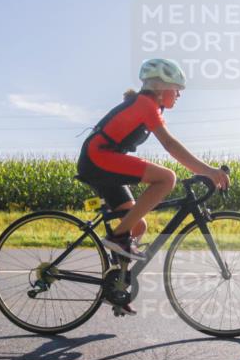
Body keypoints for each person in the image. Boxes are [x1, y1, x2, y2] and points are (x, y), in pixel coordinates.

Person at [77, 58, 230, 262]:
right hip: (98, 158)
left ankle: (117, 284)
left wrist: (205, 170)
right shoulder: (145, 105)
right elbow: (170, 145)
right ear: (160, 88)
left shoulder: (148, 106)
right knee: (167, 178)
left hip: (98, 160)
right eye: (176, 88)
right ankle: (117, 237)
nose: (179, 94)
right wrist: (208, 171)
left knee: (138, 225)